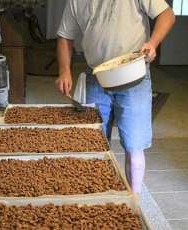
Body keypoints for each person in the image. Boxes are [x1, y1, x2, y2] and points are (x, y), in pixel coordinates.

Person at [55, 0, 175, 193]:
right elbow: (64, 36)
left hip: (134, 75)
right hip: (97, 76)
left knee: (134, 145)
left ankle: (134, 200)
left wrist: (152, 43)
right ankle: (96, 197)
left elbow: (167, 14)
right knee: (92, 143)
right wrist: (64, 70)